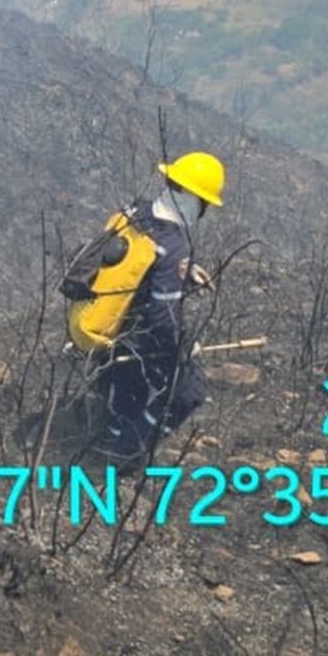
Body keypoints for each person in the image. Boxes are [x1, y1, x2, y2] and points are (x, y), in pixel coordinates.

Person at [91, 151, 223, 462]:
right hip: (137, 333)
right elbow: (163, 320)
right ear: (194, 199)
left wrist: (184, 270)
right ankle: (126, 455)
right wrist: (183, 348)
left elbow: (140, 258)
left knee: (130, 384)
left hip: (110, 322)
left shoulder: (136, 210)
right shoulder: (175, 244)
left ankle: (111, 433)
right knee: (188, 391)